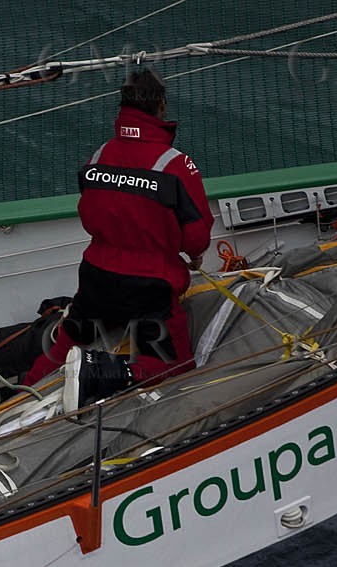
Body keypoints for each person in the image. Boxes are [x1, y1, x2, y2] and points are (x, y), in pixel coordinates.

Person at [23, 64, 213, 409]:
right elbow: (196, 237)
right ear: (161, 106)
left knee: (65, 343)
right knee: (174, 365)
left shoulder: (99, 155)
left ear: (123, 107)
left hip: (96, 279)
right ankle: (103, 374)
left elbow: (88, 214)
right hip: (149, 290)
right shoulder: (176, 164)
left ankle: (23, 389)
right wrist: (194, 255)